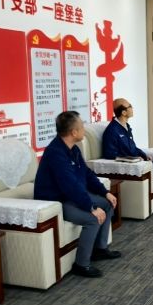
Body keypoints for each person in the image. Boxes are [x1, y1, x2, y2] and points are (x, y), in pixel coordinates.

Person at [35, 110, 121, 277]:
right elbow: (70, 186)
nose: (84, 129)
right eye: (82, 126)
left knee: (108, 204)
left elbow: (86, 174)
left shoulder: (73, 149)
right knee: (93, 219)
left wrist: (104, 193)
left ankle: (100, 249)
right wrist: (91, 207)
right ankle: (81, 264)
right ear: (74, 132)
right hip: (57, 202)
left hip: (71, 197)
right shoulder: (55, 153)